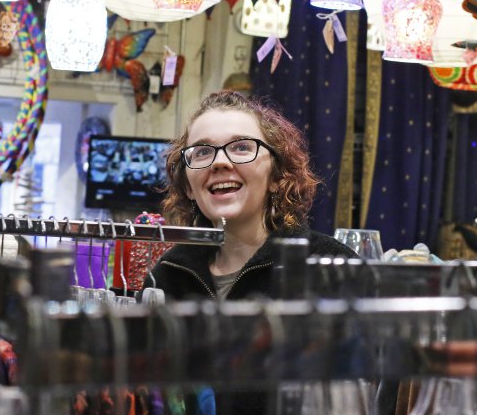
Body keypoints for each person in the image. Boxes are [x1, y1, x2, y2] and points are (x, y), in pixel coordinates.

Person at [145, 90, 356, 303]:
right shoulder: (167, 275)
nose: (219, 162)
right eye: (202, 151)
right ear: (188, 186)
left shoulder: (333, 266)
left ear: (276, 177)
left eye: (242, 147)